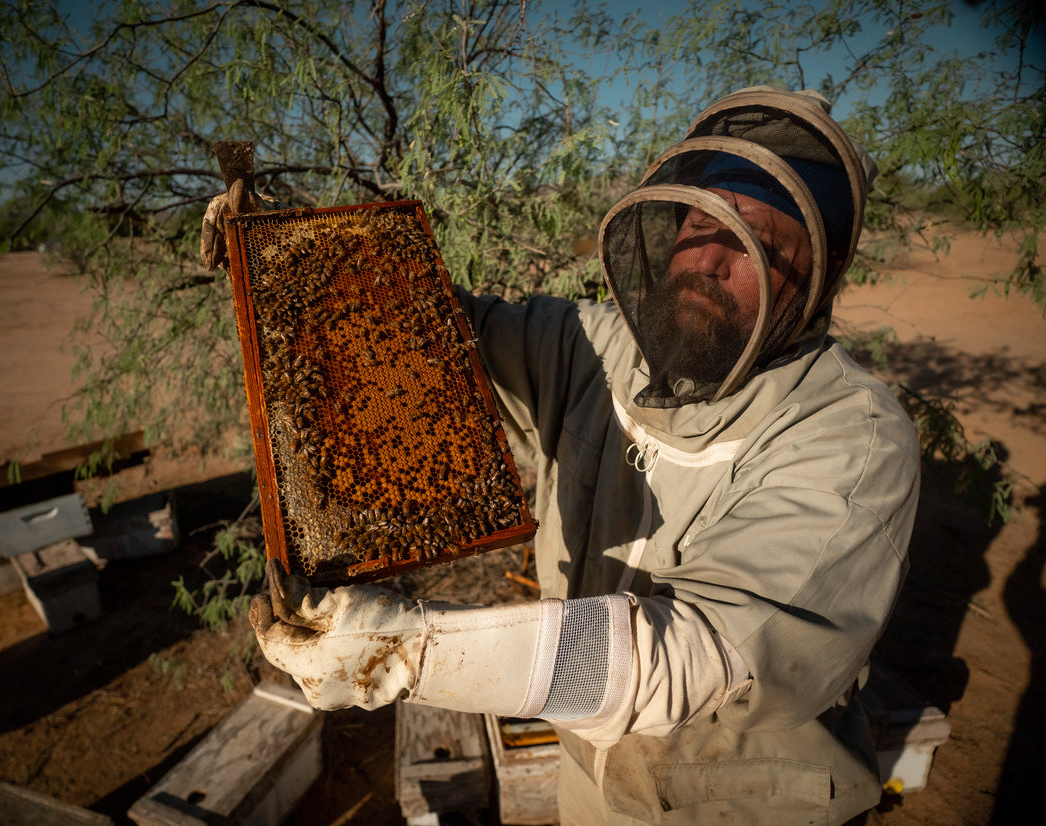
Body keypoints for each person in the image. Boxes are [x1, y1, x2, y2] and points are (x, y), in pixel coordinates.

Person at [214, 87, 920, 825]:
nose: (713, 256)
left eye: (760, 244)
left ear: (823, 275)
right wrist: (282, 252)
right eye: (701, 220)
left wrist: (411, 651)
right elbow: (423, 323)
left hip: (747, 807)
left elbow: (687, 661)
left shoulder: (853, 437)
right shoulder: (594, 344)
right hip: (588, 788)